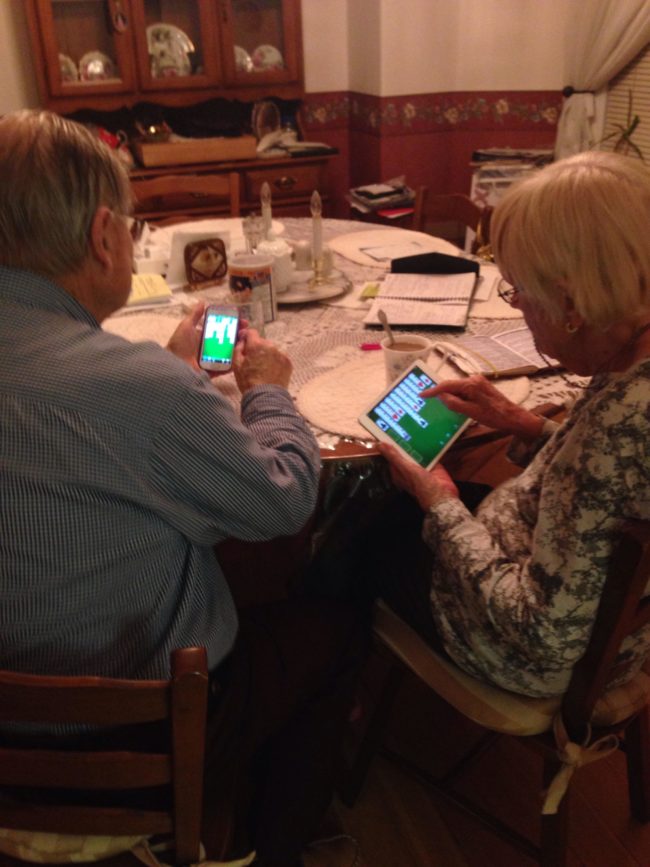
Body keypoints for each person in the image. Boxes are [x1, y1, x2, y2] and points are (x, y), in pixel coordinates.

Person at [0, 110, 365, 867]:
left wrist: (167, 376)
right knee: (333, 629)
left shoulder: (144, 385)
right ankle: (268, 845)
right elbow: (285, 497)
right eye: (130, 230)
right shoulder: (144, 391)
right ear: (104, 236)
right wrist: (265, 391)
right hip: (137, 737)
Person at [313, 150, 650, 700]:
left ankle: (327, 691)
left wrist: (439, 500)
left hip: (535, 657)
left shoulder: (620, 425)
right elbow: (600, 490)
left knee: (357, 524)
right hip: (609, 626)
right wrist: (522, 424)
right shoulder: (632, 355)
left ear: (569, 300)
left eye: (519, 291)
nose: (517, 306)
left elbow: (543, 635)